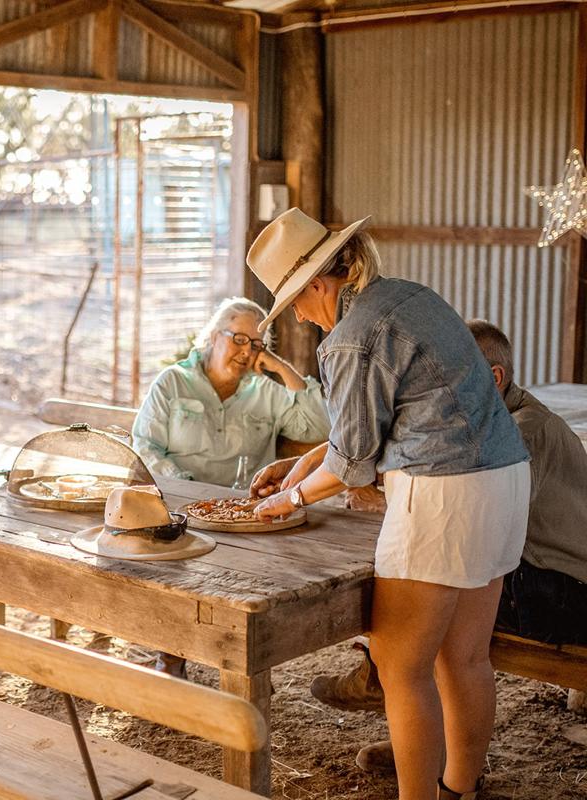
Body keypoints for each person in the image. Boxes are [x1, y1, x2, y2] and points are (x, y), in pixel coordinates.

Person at [246, 208, 530, 800]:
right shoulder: (410, 297)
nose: (299, 313)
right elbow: (392, 421)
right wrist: (305, 465)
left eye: (297, 300)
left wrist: (293, 497)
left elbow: (353, 462)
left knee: (401, 669)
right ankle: (459, 788)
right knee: (467, 658)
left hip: (442, 493)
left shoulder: (347, 339)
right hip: (502, 475)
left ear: (318, 285)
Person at [310, 319, 587, 774]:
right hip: (535, 572)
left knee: (426, 594)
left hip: (564, 592)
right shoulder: (480, 426)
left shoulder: (522, 431)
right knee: (433, 576)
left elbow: (480, 516)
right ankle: (412, 722)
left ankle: (396, 701)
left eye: (455, 375)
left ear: (494, 378)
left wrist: (381, 498)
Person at [131, 296, 330, 489]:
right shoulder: (173, 382)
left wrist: (281, 368)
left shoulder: (267, 392)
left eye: (255, 344)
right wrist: (182, 484)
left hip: (244, 509)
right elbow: (145, 446)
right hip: (179, 501)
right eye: (239, 339)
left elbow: (320, 427)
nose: (246, 352)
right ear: (215, 336)